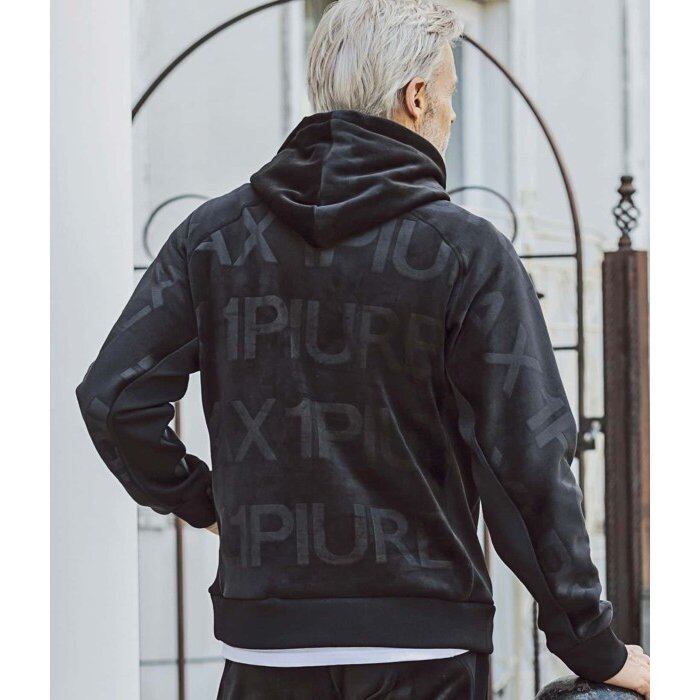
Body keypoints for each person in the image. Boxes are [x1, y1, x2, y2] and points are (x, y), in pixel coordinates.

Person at [76, 0, 650, 697]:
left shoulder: (214, 238)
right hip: (425, 645)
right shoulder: (466, 253)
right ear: (417, 98)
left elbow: (115, 400)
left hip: (266, 646)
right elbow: (526, 461)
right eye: (450, 94)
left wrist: (207, 501)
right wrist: (590, 643)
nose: (452, 115)